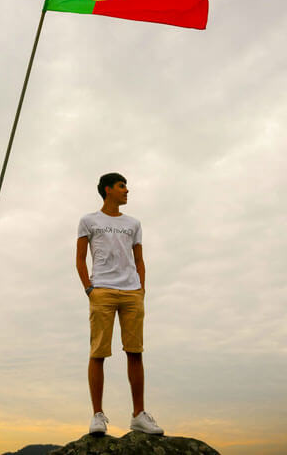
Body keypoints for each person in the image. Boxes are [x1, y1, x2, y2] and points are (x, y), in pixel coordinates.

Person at [76, 172, 164, 436]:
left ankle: (139, 415)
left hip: (131, 293)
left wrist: (141, 289)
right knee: (98, 352)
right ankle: (97, 415)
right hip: (102, 290)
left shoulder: (134, 223)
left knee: (135, 351)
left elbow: (139, 259)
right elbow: (80, 259)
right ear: (107, 189)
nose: (127, 190)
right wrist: (89, 289)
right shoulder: (88, 220)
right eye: (122, 186)